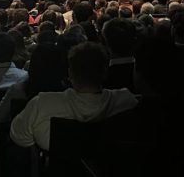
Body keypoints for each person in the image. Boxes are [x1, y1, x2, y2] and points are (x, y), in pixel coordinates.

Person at [9, 42, 137, 151]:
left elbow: (19, 137)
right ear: (105, 72)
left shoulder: (43, 104)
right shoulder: (127, 101)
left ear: (70, 73)